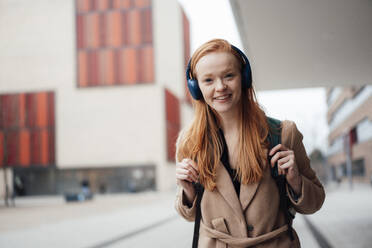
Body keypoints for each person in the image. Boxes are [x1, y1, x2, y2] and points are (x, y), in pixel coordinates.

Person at [175, 39, 325, 248]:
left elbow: (315, 203)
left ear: (244, 78)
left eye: (229, 76)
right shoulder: (190, 142)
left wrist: (295, 181)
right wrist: (188, 192)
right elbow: (190, 216)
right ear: (196, 87)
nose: (220, 87)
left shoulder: (282, 134)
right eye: (208, 80)